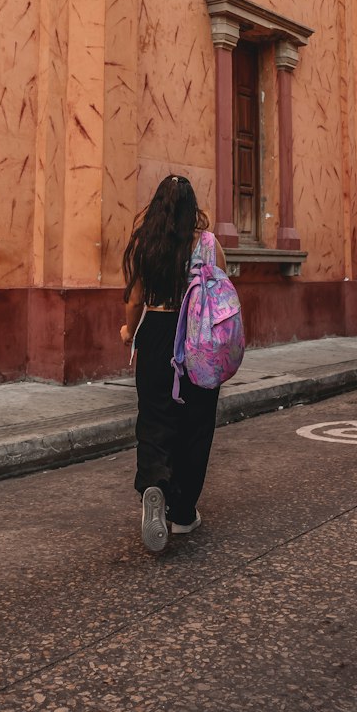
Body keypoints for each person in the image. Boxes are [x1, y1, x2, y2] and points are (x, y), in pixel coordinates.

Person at [120, 174, 228, 554]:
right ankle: (183, 513)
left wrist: (128, 331)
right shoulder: (209, 244)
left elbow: (134, 300)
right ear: (191, 206)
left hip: (156, 333)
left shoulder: (143, 244)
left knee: (154, 419)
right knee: (196, 424)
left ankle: (155, 484)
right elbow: (221, 295)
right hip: (196, 338)